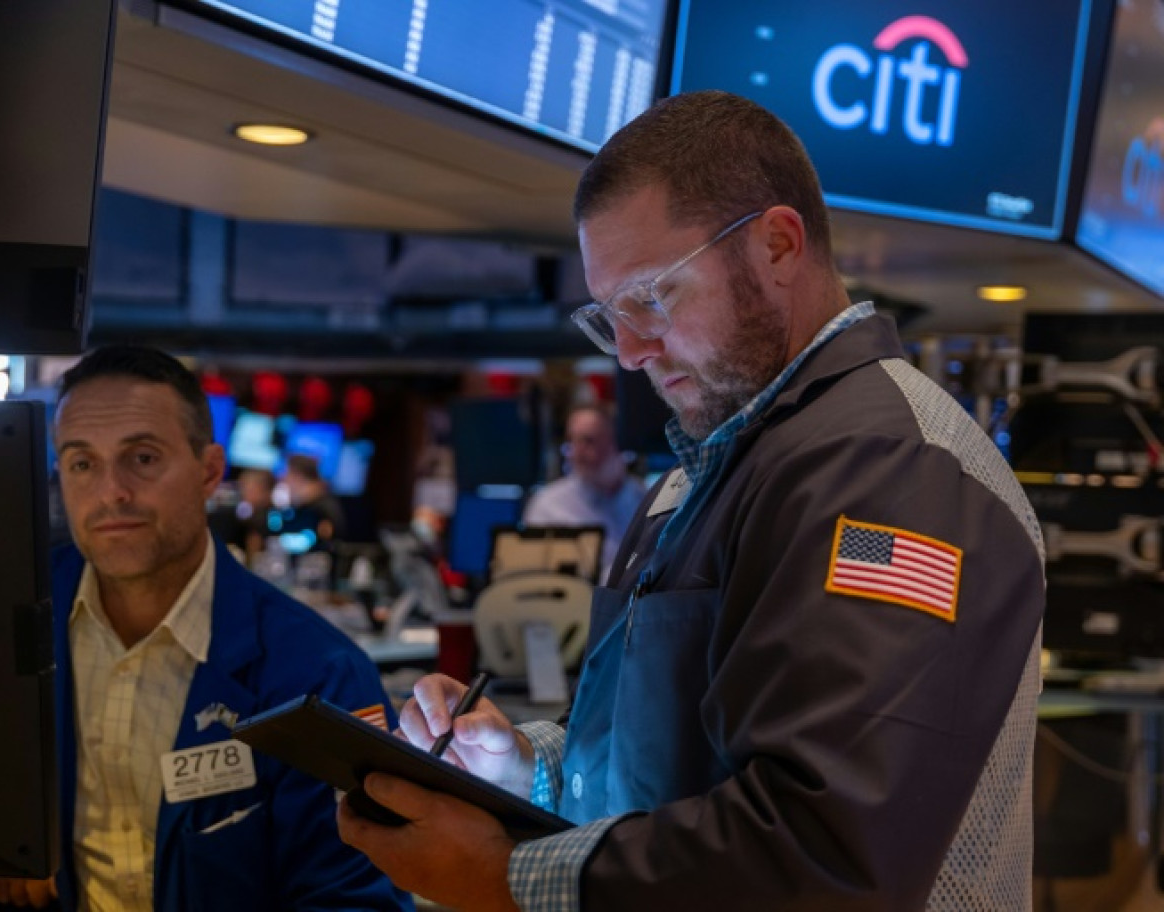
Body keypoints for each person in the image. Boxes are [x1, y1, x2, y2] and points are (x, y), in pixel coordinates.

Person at [337, 90, 1045, 911]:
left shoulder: (889, 469)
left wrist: (504, 878)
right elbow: (654, 757)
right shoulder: (703, 466)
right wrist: (522, 767)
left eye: (651, 297)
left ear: (779, 245)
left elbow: (830, 854)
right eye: (609, 318)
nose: (630, 352)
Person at [0, 345, 411, 912]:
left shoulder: (320, 674)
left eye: (142, 458)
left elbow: (353, 901)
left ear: (210, 471)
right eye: (81, 462)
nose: (111, 490)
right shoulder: (5, 627)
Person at [521, 405, 645, 581]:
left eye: (588, 441)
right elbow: (542, 582)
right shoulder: (547, 505)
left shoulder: (641, 496)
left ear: (615, 443)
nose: (576, 452)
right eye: (571, 441)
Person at [282, 452, 346, 547]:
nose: (283, 479)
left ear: (298, 476)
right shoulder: (304, 505)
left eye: (287, 473)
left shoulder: (322, 508)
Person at [227, 466, 276, 560]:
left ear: (265, 491)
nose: (243, 492)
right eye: (242, 487)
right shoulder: (240, 518)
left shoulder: (271, 519)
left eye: (248, 488)